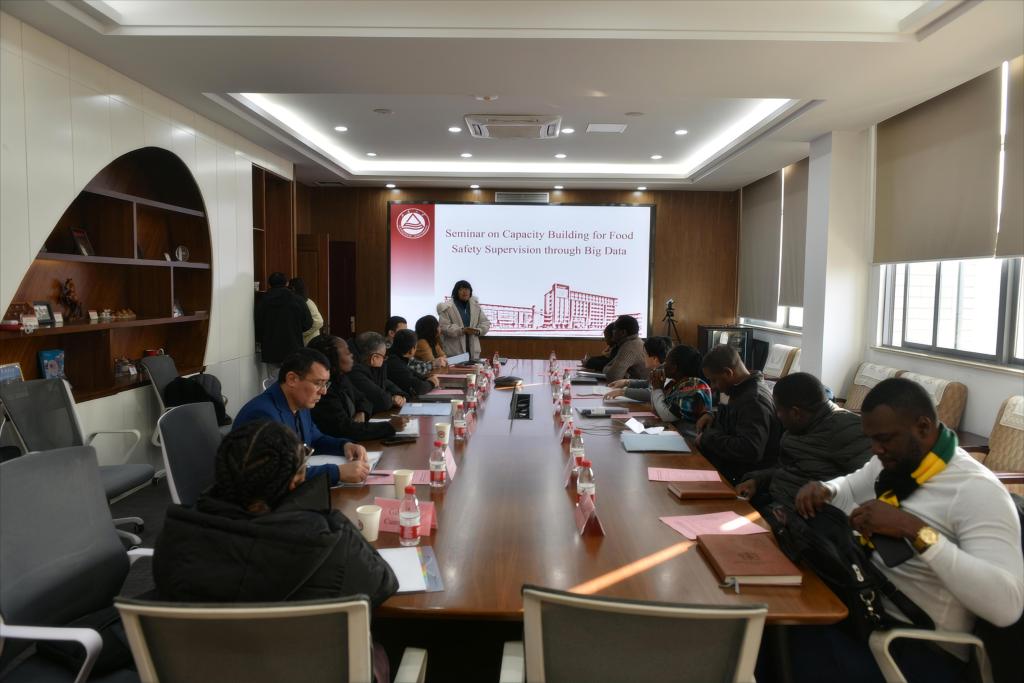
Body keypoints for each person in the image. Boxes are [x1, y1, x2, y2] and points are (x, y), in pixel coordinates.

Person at [791, 377, 1023, 683]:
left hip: (917, 647)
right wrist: (826, 489)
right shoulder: (896, 461)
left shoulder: (976, 491)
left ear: (923, 427)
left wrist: (915, 530)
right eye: (871, 439)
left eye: (884, 439)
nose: (876, 449)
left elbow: (1006, 606)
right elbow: (851, 486)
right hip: (866, 613)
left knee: (780, 649)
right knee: (776, 627)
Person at [153, 420, 397, 683]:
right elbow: (383, 582)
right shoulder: (329, 541)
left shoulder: (174, 536)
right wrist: (324, 513)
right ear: (296, 481)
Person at [735, 372, 871, 510]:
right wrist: (756, 481)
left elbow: (873, 482)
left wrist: (830, 489)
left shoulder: (846, 429)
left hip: (803, 517)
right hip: (775, 503)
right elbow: (786, 469)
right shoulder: (799, 426)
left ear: (795, 413)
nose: (777, 416)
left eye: (779, 410)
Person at [233, 348, 369, 484]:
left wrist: (344, 446)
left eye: (325, 384)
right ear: (292, 379)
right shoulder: (262, 415)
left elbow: (315, 439)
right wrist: (337, 472)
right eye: (318, 383)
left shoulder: (300, 404)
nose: (324, 391)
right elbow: (276, 473)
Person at [695, 344, 781, 485]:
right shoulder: (740, 389)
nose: (713, 386)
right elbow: (737, 418)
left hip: (743, 479)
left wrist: (707, 438)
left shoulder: (753, 401)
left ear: (728, 373)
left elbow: (750, 450)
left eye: (714, 380)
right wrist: (712, 415)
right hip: (731, 468)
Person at [307, 335, 407, 442]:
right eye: (347, 352)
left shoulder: (341, 378)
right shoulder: (324, 390)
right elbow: (344, 429)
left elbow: (364, 400)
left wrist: (362, 411)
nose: (352, 355)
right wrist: (389, 426)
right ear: (331, 358)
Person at [255, 272, 312, 379]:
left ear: (270, 284)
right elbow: (308, 323)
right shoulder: (297, 299)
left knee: (273, 381)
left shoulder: (262, 301)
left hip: (270, 349)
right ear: (287, 283)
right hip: (293, 347)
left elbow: (258, 325)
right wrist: (295, 330)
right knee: (294, 380)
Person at [651, 344, 713, 424]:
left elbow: (667, 416)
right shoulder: (675, 384)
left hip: (688, 432)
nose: (663, 365)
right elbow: (656, 409)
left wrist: (657, 389)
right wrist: (657, 387)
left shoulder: (693, 386)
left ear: (674, 367)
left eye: (666, 362)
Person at [349, 331, 408, 414]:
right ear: (374, 358)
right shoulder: (353, 370)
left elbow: (387, 383)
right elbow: (382, 400)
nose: (384, 360)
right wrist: (392, 399)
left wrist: (400, 395)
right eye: (384, 357)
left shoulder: (370, 365)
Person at [605, 336, 673, 402]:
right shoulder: (658, 369)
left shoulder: (663, 372)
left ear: (655, 358)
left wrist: (622, 392)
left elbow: (650, 393)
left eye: (645, 354)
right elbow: (648, 383)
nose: (643, 357)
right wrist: (626, 382)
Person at [437, 280, 490, 359]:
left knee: (473, 367)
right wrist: (462, 330)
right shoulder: (447, 307)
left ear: (470, 292)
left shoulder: (476, 306)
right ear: (456, 291)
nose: (465, 292)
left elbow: (485, 323)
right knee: (457, 367)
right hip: (454, 352)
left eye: (467, 289)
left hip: (473, 351)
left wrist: (478, 331)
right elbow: (444, 327)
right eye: (461, 289)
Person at [386, 329, 437, 397]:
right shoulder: (395, 363)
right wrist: (432, 383)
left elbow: (414, 374)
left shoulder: (395, 358)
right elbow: (419, 388)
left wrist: (427, 378)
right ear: (411, 350)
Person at [602, 315, 647, 382]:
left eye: (614, 329)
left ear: (623, 332)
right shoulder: (636, 342)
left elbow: (612, 377)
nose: (612, 332)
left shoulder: (630, 347)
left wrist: (607, 369)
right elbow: (609, 370)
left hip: (640, 387)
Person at [289, 276, 324, 346]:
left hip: (310, 341)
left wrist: (301, 334)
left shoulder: (307, 302)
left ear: (293, 288)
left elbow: (319, 322)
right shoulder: (299, 301)